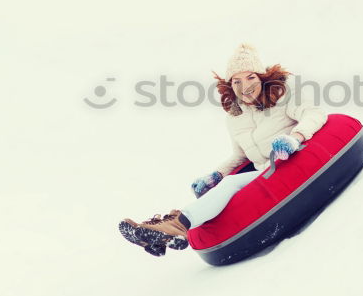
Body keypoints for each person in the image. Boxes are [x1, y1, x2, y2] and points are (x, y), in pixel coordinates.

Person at [119, 43, 328, 257]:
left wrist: (295, 138)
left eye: (250, 77)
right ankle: (165, 234)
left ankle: (176, 225)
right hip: (265, 174)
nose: (244, 85)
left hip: (293, 163)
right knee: (226, 185)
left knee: (231, 184)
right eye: (236, 81)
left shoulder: (283, 97)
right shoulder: (235, 118)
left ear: (262, 77)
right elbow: (241, 156)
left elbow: (315, 114)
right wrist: (216, 175)